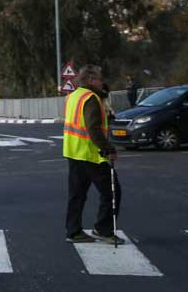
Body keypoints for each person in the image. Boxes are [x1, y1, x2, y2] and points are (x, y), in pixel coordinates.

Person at [63, 65, 123, 245]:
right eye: (98, 78)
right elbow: (93, 128)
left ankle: (73, 231)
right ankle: (103, 230)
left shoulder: (73, 96)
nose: (101, 81)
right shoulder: (91, 98)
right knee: (112, 192)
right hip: (91, 154)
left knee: (77, 194)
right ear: (90, 80)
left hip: (73, 152)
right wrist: (108, 149)